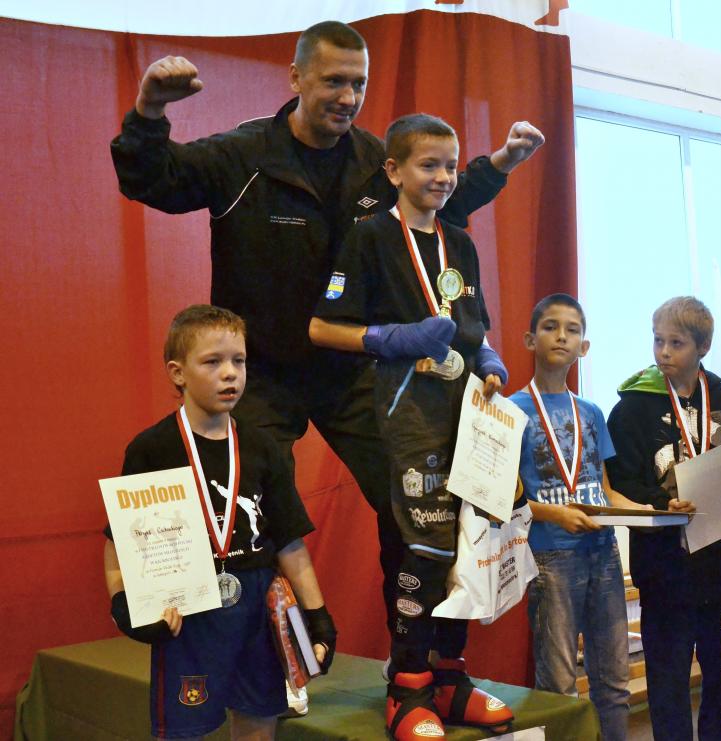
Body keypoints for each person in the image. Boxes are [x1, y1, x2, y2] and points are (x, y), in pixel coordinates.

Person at [109, 20, 544, 638]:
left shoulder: (373, 161)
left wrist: (500, 164)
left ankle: (414, 661)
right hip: (261, 374)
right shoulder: (244, 155)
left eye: (358, 84)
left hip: (355, 370)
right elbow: (154, 180)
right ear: (296, 77)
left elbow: (439, 193)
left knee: (413, 501)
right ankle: (259, 657)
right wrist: (150, 110)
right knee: (247, 512)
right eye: (334, 81)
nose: (348, 96)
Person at [309, 113, 512, 740]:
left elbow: (471, 326)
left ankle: (450, 678)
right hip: (402, 416)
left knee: (466, 548)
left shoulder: (461, 242)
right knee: (420, 549)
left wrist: (489, 361)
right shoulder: (369, 237)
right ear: (394, 171)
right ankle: (407, 685)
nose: (444, 177)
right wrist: (390, 338)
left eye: (451, 165)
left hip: (464, 418)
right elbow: (322, 327)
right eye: (429, 165)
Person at [103, 305, 336, 740]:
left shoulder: (263, 447)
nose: (230, 373)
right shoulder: (152, 449)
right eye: (212, 362)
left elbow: (289, 542)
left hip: (257, 608)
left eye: (239, 361)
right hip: (188, 613)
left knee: (258, 722)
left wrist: (317, 614)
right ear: (178, 373)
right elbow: (119, 545)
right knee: (185, 729)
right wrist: (123, 605)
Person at [606, 296, 721, 741]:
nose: (663, 352)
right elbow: (620, 486)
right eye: (658, 340)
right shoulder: (631, 408)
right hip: (666, 575)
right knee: (667, 689)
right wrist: (662, 504)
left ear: (703, 347)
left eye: (676, 343)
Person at [509, 294, 640, 741]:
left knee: (614, 683)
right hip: (551, 558)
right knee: (559, 686)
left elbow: (605, 491)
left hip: (603, 553)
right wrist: (555, 514)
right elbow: (502, 502)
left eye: (572, 329)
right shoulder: (510, 411)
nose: (561, 336)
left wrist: (649, 511)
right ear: (530, 339)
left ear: (584, 347)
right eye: (550, 326)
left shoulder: (592, 413)